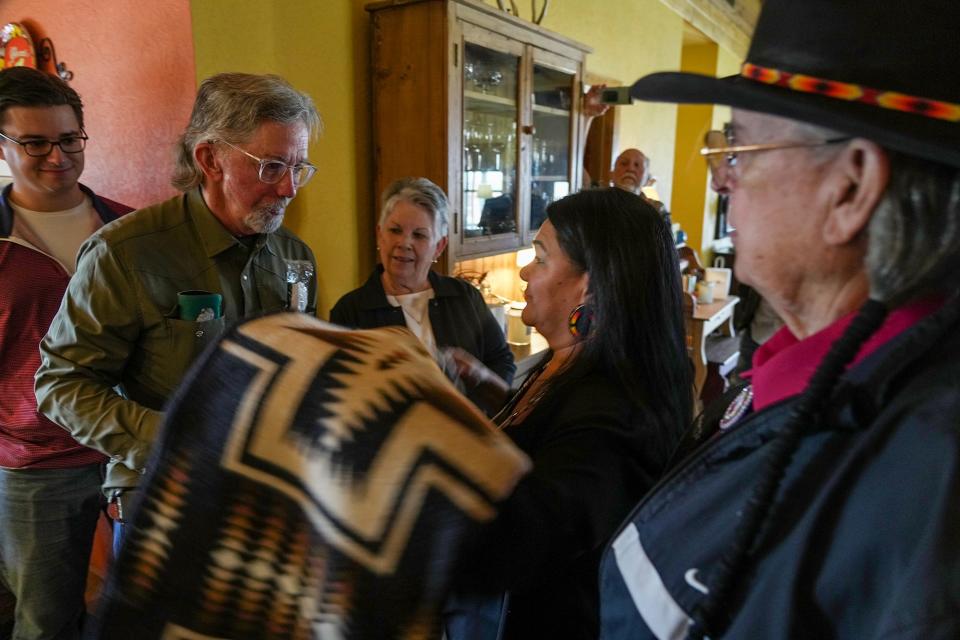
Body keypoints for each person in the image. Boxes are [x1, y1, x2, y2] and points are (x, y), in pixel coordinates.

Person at [601, 1, 960, 638]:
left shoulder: (928, 486)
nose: (721, 180)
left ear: (849, 190)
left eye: (739, 146)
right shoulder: (824, 375)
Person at [35, 72, 321, 554]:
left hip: (271, 495)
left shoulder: (295, 256)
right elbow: (61, 384)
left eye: (299, 167)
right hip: (164, 497)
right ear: (209, 159)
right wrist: (179, 440)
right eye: (272, 167)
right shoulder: (124, 253)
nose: (290, 188)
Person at [444, 187, 692, 639]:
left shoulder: (615, 414)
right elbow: (550, 438)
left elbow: (511, 545)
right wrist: (495, 393)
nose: (524, 269)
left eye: (540, 257)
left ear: (590, 284)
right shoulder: (571, 364)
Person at [0, 66, 131, 640]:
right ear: (3, 148)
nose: (57, 157)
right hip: (33, 467)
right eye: (35, 143)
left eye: (69, 139)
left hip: (128, 450)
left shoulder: (129, 228)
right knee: (45, 620)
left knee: (139, 610)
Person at [330, 177, 515, 413]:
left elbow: (501, 360)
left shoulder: (465, 296)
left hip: (468, 437)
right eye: (395, 230)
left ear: (439, 246)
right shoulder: (350, 311)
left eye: (419, 235)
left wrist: (477, 394)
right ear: (379, 235)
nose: (404, 243)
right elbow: (342, 395)